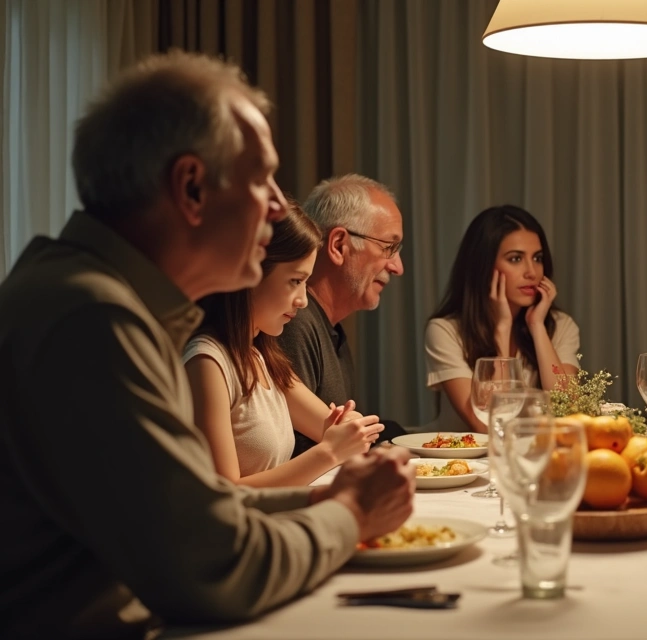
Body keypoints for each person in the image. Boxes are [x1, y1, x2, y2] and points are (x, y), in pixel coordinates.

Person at [0, 52, 415, 638]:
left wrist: (326, 501)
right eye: (261, 179)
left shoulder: (99, 299)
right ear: (191, 188)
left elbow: (198, 513)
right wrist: (350, 514)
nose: (278, 207)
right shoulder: (90, 318)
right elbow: (215, 568)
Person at [185, 202, 384, 487]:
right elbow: (224, 495)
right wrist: (329, 451)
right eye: (295, 281)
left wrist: (346, 426)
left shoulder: (262, 355)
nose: (303, 300)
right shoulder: (207, 362)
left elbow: (329, 425)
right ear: (249, 275)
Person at [279, 174, 407, 456]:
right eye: (389, 247)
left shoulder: (328, 327)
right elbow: (305, 451)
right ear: (338, 245)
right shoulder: (292, 322)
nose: (398, 267)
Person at [425, 205, 580, 432]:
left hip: (534, 457)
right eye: (516, 259)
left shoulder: (560, 325)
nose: (532, 272)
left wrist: (537, 327)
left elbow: (567, 412)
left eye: (537, 258)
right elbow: (486, 423)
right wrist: (502, 328)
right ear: (484, 266)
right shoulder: (444, 331)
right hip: (467, 464)